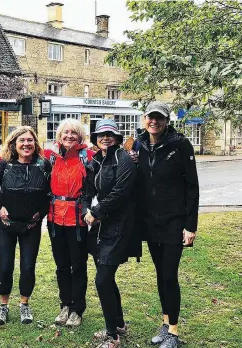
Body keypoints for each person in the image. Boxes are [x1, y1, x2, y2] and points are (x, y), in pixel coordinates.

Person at [132, 101, 199, 348]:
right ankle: (165, 322)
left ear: (167, 121)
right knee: (161, 275)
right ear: (144, 118)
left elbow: (192, 187)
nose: (154, 122)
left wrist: (190, 225)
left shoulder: (180, 144)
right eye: (151, 117)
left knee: (169, 275)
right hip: (151, 222)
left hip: (174, 222)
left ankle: (173, 332)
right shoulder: (138, 145)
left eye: (159, 118)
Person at [84, 119, 141, 348]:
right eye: (101, 134)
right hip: (99, 227)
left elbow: (121, 192)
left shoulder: (123, 159)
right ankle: (118, 325)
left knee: (102, 280)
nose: (105, 138)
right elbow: (88, 190)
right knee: (106, 279)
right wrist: (88, 209)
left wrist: (97, 211)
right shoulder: (96, 161)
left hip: (119, 226)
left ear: (117, 138)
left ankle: (112, 336)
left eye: (110, 134)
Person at [0, 126, 51, 326]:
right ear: (14, 143)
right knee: (5, 266)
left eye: (30, 140)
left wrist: (41, 212)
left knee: (28, 267)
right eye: (22, 140)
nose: (26, 144)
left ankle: (24, 304)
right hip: (6, 224)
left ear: (35, 143)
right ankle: (3, 306)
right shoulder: (4, 164)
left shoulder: (44, 164)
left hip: (31, 226)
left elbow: (49, 193)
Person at [44, 118, 94, 327]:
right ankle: (65, 305)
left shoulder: (88, 156)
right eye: (65, 133)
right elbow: (22, 153)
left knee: (78, 265)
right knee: (61, 265)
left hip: (77, 219)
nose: (69, 136)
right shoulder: (51, 156)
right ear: (59, 136)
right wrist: (0, 158)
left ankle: (77, 309)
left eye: (73, 132)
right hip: (55, 218)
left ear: (80, 136)